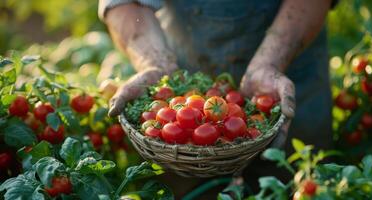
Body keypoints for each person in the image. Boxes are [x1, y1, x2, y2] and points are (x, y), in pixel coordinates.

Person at [99, 0, 333, 198]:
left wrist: (271, 62)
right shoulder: (185, 109)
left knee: (294, 183)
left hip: (288, 71)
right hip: (182, 70)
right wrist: (154, 62)